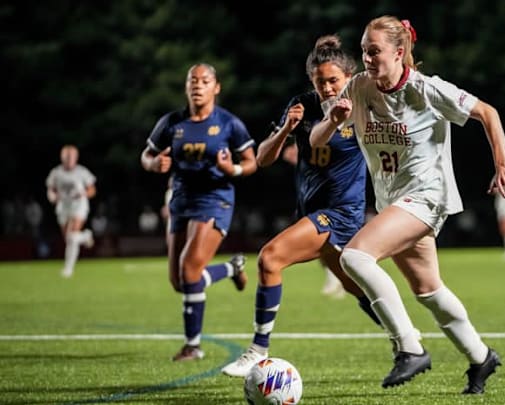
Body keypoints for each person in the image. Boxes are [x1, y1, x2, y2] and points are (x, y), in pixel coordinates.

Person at [310, 16, 505, 394]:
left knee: (355, 257)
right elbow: (315, 140)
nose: (367, 58)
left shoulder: (427, 89)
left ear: (399, 52)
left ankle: (409, 347)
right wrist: (333, 122)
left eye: (374, 51)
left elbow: (488, 113)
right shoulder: (358, 87)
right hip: (394, 201)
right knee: (428, 290)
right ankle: (481, 357)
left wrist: (502, 164)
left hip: (427, 197)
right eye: (364, 51)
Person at [221, 35, 384, 378]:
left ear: (349, 77)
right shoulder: (302, 105)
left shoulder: (362, 107)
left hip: (340, 213)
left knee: (269, 258)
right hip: (310, 211)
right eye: (320, 81)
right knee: (353, 284)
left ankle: (257, 350)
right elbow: (263, 159)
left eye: (333, 80)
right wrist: (286, 129)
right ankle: (405, 338)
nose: (327, 88)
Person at [140, 63, 258, 361]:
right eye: (193, 80)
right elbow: (147, 155)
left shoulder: (229, 123)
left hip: (215, 198)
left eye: (205, 81)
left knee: (190, 269)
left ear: (216, 88)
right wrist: (153, 164)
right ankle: (231, 269)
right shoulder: (171, 122)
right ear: (186, 86)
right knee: (179, 281)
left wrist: (232, 169)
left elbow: (251, 161)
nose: (198, 85)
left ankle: (192, 346)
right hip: (181, 200)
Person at [282, 137, 346, 298]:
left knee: (330, 241)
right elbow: (287, 154)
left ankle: (343, 278)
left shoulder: (336, 137)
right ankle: (335, 277)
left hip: (329, 196)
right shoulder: (304, 134)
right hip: (309, 195)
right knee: (322, 244)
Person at [45, 145, 97, 278]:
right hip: (63, 206)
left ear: (76, 158)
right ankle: (85, 236)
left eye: (71, 157)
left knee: (72, 235)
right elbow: (51, 189)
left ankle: (68, 269)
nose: (69, 160)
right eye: (66, 157)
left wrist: (83, 194)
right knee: (68, 238)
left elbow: (92, 190)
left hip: (79, 205)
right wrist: (52, 197)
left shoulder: (82, 172)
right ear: (62, 157)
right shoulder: (56, 173)